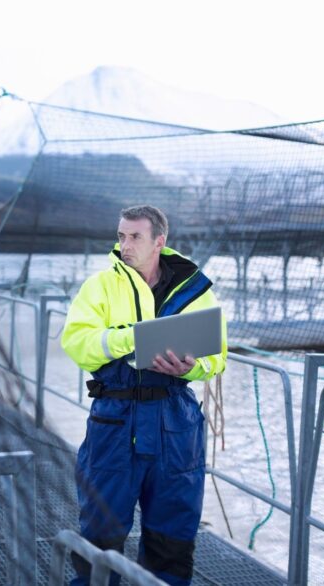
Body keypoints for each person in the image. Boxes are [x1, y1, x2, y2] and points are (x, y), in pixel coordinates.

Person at [61, 204, 227, 586]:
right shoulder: (100, 286)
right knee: (101, 535)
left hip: (176, 423)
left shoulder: (195, 288)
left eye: (134, 236)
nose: (125, 244)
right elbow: (76, 342)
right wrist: (131, 337)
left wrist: (192, 368)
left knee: (173, 535)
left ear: (159, 242)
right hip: (116, 419)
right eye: (121, 235)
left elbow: (217, 355)